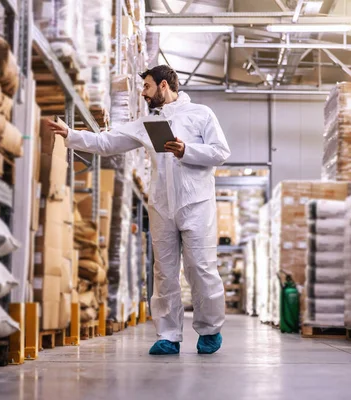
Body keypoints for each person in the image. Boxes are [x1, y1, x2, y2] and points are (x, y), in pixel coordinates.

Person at [47, 65, 230, 355]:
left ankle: (209, 330)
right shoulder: (148, 123)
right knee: (164, 271)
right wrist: (70, 134)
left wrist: (187, 151)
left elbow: (220, 152)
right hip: (162, 205)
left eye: (146, 86)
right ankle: (169, 335)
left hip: (196, 203)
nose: (143, 93)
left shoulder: (201, 114)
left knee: (201, 268)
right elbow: (108, 142)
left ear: (164, 86)